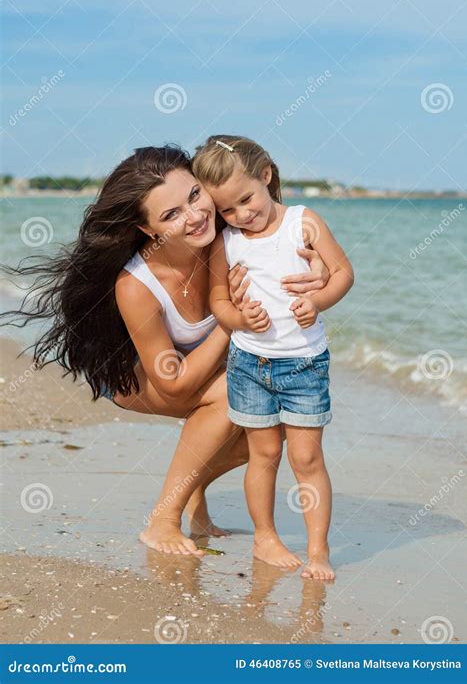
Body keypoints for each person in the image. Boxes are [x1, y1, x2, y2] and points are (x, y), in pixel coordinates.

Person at [1, 144, 330, 557]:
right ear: (149, 231)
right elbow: (173, 384)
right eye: (171, 215)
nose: (194, 216)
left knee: (277, 422)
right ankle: (162, 520)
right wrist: (232, 325)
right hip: (134, 374)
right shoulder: (136, 285)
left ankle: (192, 487)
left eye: (194, 196)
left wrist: (315, 268)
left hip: (203, 363)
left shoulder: (227, 235)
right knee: (232, 396)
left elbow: (283, 230)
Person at [193, 135, 354, 579]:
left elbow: (343, 273)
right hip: (249, 365)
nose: (241, 214)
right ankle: (265, 537)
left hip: (304, 364)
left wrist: (319, 300)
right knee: (263, 454)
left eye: (246, 199)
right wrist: (240, 320)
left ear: (266, 176)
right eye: (227, 209)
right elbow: (218, 302)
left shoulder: (304, 222)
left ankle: (318, 550)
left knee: (307, 460)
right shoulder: (228, 241)